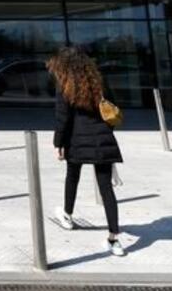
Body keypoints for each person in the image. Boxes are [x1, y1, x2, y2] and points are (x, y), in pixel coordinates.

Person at [47, 46, 125, 257]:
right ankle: (114, 238)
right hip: (103, 138)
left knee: (72, 177)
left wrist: (59, 143)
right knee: (106, 188)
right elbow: (112, 108)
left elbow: (62, 118)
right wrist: (106, 132)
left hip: (76, 140)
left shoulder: (65, 84)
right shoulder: (98, 81)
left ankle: (67, 215)